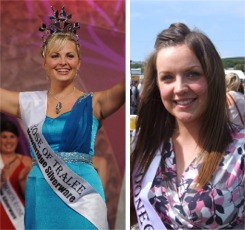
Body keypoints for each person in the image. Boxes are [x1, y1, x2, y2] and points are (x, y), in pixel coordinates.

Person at [0, 7, 125, 230]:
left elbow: (128, 85)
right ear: (44, 62)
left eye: (70, 55)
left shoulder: (95, 103)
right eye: (55, 56)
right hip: (41, 191)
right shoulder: (29, 103)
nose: (63, 62)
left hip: (83, 196)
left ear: (79, 62)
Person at [131, 22, 245, 229]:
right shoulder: (145, 144)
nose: (180, 88)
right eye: (167, 78)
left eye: (192, 74)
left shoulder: (240, 149)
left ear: (213, 77)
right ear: (156, 85)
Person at [0, 120, 32, 230]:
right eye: (4, 136)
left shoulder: (27, 162)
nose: (8, 140)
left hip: (18, 219)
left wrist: (22, 181)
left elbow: (31, 197)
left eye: (12, 136)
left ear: (17, 139)